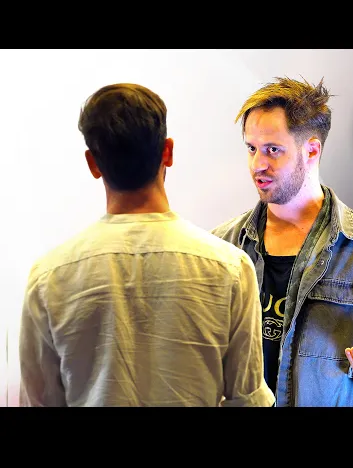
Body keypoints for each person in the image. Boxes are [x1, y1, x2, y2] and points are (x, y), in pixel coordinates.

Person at [19, 83, 274, 408]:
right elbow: (249, 401)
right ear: (168, 151)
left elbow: (39, 401)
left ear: (93, 163)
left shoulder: (48, 278)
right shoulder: (231, 270)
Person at [211, 76, 353, 406]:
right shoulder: (222, 245)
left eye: (273, 150)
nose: (257, 164)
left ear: (311, 150)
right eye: (251, 148)